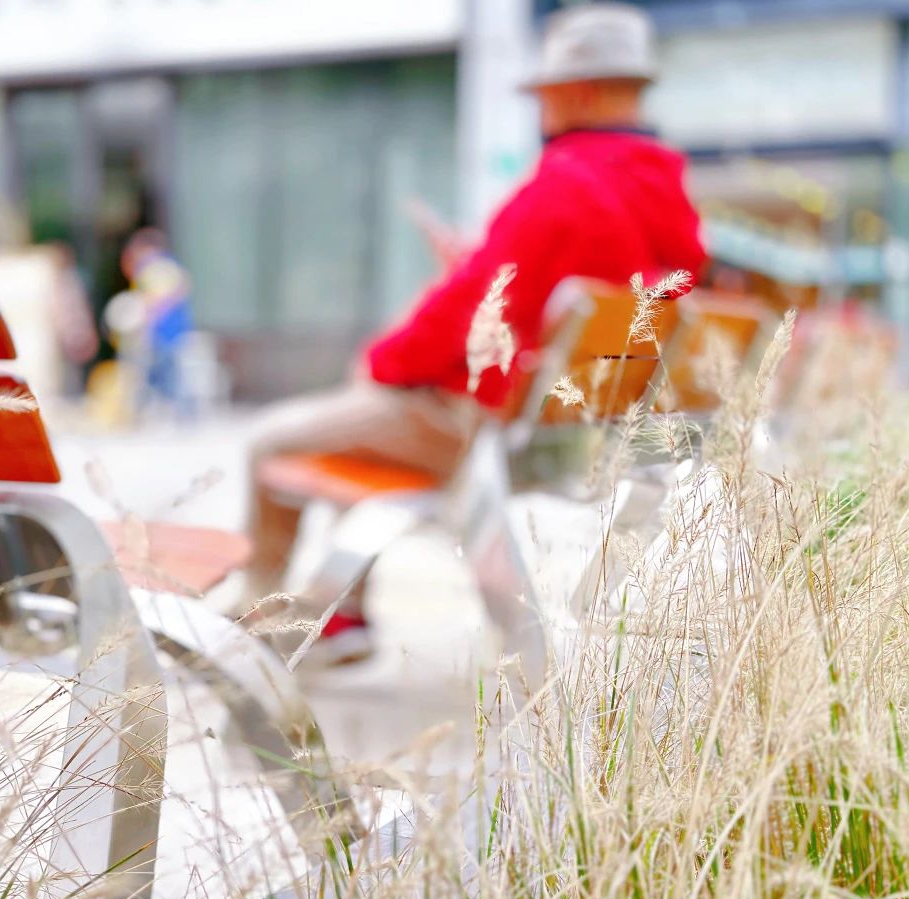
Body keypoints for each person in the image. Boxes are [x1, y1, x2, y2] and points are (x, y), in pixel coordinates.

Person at [243, 2, 707, 665]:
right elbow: (545, 294)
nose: (541, 111)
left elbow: (460, 317)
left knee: (272, 440)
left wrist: (381, 362)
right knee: (363, 426)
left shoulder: (564, 186)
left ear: (577, 93)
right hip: (581, 428)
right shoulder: (665, 196)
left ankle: (260, 625)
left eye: (545, 95)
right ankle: (340, 613)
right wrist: (476, 268)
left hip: (493, 433)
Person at [95, 227, 195, 423]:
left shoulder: (155, 268)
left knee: (160, 378)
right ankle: (174, 416)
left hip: (161, 335)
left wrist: (143, 317)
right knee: (167, 378)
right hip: (170, 334)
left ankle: (171, 417)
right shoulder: (167, 266)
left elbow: (158, 300)